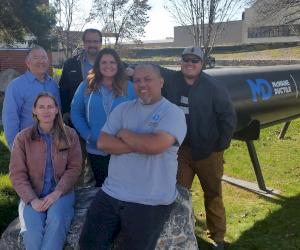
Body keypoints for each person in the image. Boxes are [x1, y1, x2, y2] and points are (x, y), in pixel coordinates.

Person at [79, 63, 187, 250]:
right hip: (111, 193)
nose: (142, 84)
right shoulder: (123, 109)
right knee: (88, 245)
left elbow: (155, 146)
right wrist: (141, 144)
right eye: (137, 80)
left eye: (147, 79)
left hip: (149, 200)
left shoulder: (173, 113)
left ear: (161, 82)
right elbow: (103, 143)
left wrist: (124, 134)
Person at [161, 46, 236, 250]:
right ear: (181, 62)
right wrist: (128, 69)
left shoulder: (214, 86)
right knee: (178, 193)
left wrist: (220, 146)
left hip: (208, 151)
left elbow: (228, 118)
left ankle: (217, 237)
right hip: (181, 151)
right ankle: (182, 232)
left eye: (195, 61)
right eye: (186, 60)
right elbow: (152, 71)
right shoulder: (172, 81)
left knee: (212, 193)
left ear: (202, 64)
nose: (190, 64)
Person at [9, 92, 82, 250]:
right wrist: (32, 199)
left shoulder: (70, 135)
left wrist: (57, 192)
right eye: (41, 107)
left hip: (61, 193)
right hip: (32, 195)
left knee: (56, 221)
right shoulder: (23, 138)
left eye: (50, 106)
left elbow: (74, 168)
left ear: (57, 110)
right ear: (34, 110)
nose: (46, 110)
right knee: (32, 233)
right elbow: (17, 174)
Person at [70, 48, 136, 187]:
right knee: (102, 187)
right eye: (104, 62)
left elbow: (139, 114)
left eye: (112, 62)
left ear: (118, 65)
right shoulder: (86, 86)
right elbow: (76, 113)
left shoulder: (130, 88)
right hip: (96, 148)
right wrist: (88, 135)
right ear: (98, 66)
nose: (108, 66)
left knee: (124, 188)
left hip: (122, 148)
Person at [59, 28, 102, 186]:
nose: (92, 45)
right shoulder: (71, 63)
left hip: (100, 123)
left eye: (96, 41)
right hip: (75, 123)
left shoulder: (109, 63)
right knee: (75, 165)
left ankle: (95, 199)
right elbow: (63, 89)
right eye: (89, 41)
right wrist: (64, 112)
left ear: (101, 43)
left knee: (96, 167)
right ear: (84, 43)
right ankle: (74, 199)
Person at [2, 46, 60, 150]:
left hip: (53, 144)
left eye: (44, 57)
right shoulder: (16, 86)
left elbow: (58, 112)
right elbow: (10, 118)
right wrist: (14, 147)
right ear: (27, 63)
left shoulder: (53, 85)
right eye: (36, 58)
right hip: (28, 145)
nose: (41, 61)